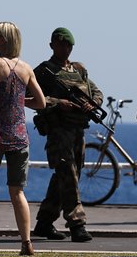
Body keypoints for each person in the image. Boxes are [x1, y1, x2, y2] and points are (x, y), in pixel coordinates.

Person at [0, 22, 45, 255]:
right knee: (17, 192)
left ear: (2, 39)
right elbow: (41, 103)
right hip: (20, 136)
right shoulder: (26, 68)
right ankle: (26, 244)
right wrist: (18, 101)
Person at [33, 27, 103, 243]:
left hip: (77, 131)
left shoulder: (79, 70)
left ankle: (44, 222)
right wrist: (57, 103)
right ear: (52, 45)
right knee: (68, 175)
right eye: (61, 44)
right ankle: (77, 224)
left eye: (69, 45)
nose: (65, 49)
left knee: (68, 176)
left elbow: (96, 92)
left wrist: (92, 103)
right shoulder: (44, 71)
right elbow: (30, 97)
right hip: (58, 131)